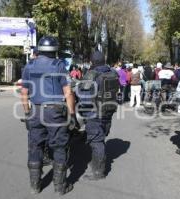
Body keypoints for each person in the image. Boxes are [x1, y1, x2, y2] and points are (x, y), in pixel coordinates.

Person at [21, 36, 75, 195]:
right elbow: (68, 92)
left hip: (36, 111)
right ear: (55, 51)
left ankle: (35, 186)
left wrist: (27, 113)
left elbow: (24, 93)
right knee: (59, 147)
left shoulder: (29, 66)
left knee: (35, 146)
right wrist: (71, 114)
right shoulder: (58, 66)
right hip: (55, 112)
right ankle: (60, 188)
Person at [78, 51, 119, 180]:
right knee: (101, 137)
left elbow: (84, 98)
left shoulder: (91, 75)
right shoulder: (113, 73)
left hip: (94, 113)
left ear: (92, 62)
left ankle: (98, 172)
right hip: (109, 110)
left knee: (97, 141)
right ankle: (97, 162)